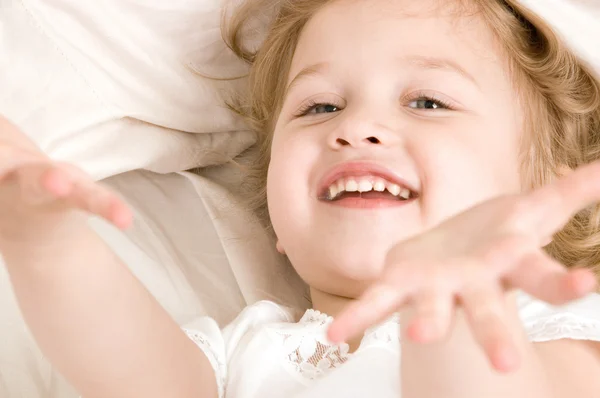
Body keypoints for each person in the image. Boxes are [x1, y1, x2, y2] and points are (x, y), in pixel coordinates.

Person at [1, 0, 600, 397]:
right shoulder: (253, 346)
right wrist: (45, 245)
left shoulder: (554, 330)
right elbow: (133, 377)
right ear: (277, 224)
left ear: (544, 194)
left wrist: (446, 303)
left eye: (427, 102)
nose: (355, 126)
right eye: (320, 107)